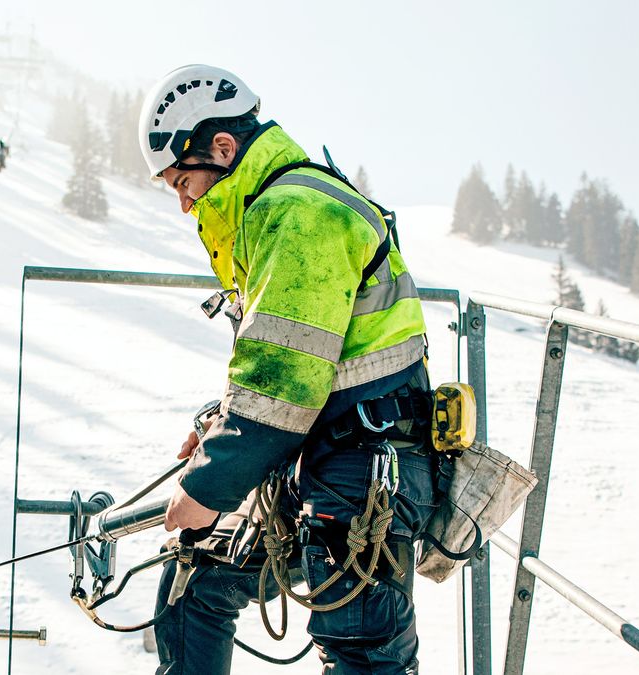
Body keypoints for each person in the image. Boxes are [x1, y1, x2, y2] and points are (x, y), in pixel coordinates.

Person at [138, 65, 442, 674]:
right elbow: (279, 364)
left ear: (222, 148)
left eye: (184, 180)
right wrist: (223, 430)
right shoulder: (273, 210)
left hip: (367, 462)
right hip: (329, 447)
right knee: (197, 576)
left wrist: (206, 485)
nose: (183, 202)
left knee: (359, 646)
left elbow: (284, 382)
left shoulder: (300, 213)